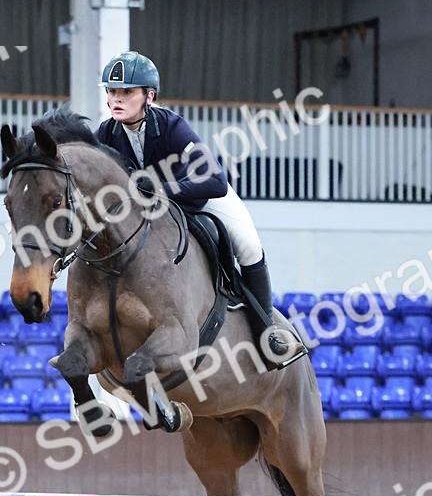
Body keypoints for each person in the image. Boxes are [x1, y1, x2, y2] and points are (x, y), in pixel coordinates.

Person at [96, 51, 304, 366]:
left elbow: (215, 182)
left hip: (198, 197)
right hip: (150, 213)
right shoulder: (106, 135)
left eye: (127, 92)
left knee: (248, 245)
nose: (116, 99)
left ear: (149, 96)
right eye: (112, 92)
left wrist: (165, 191)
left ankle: (268, 332)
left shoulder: (171, 127)